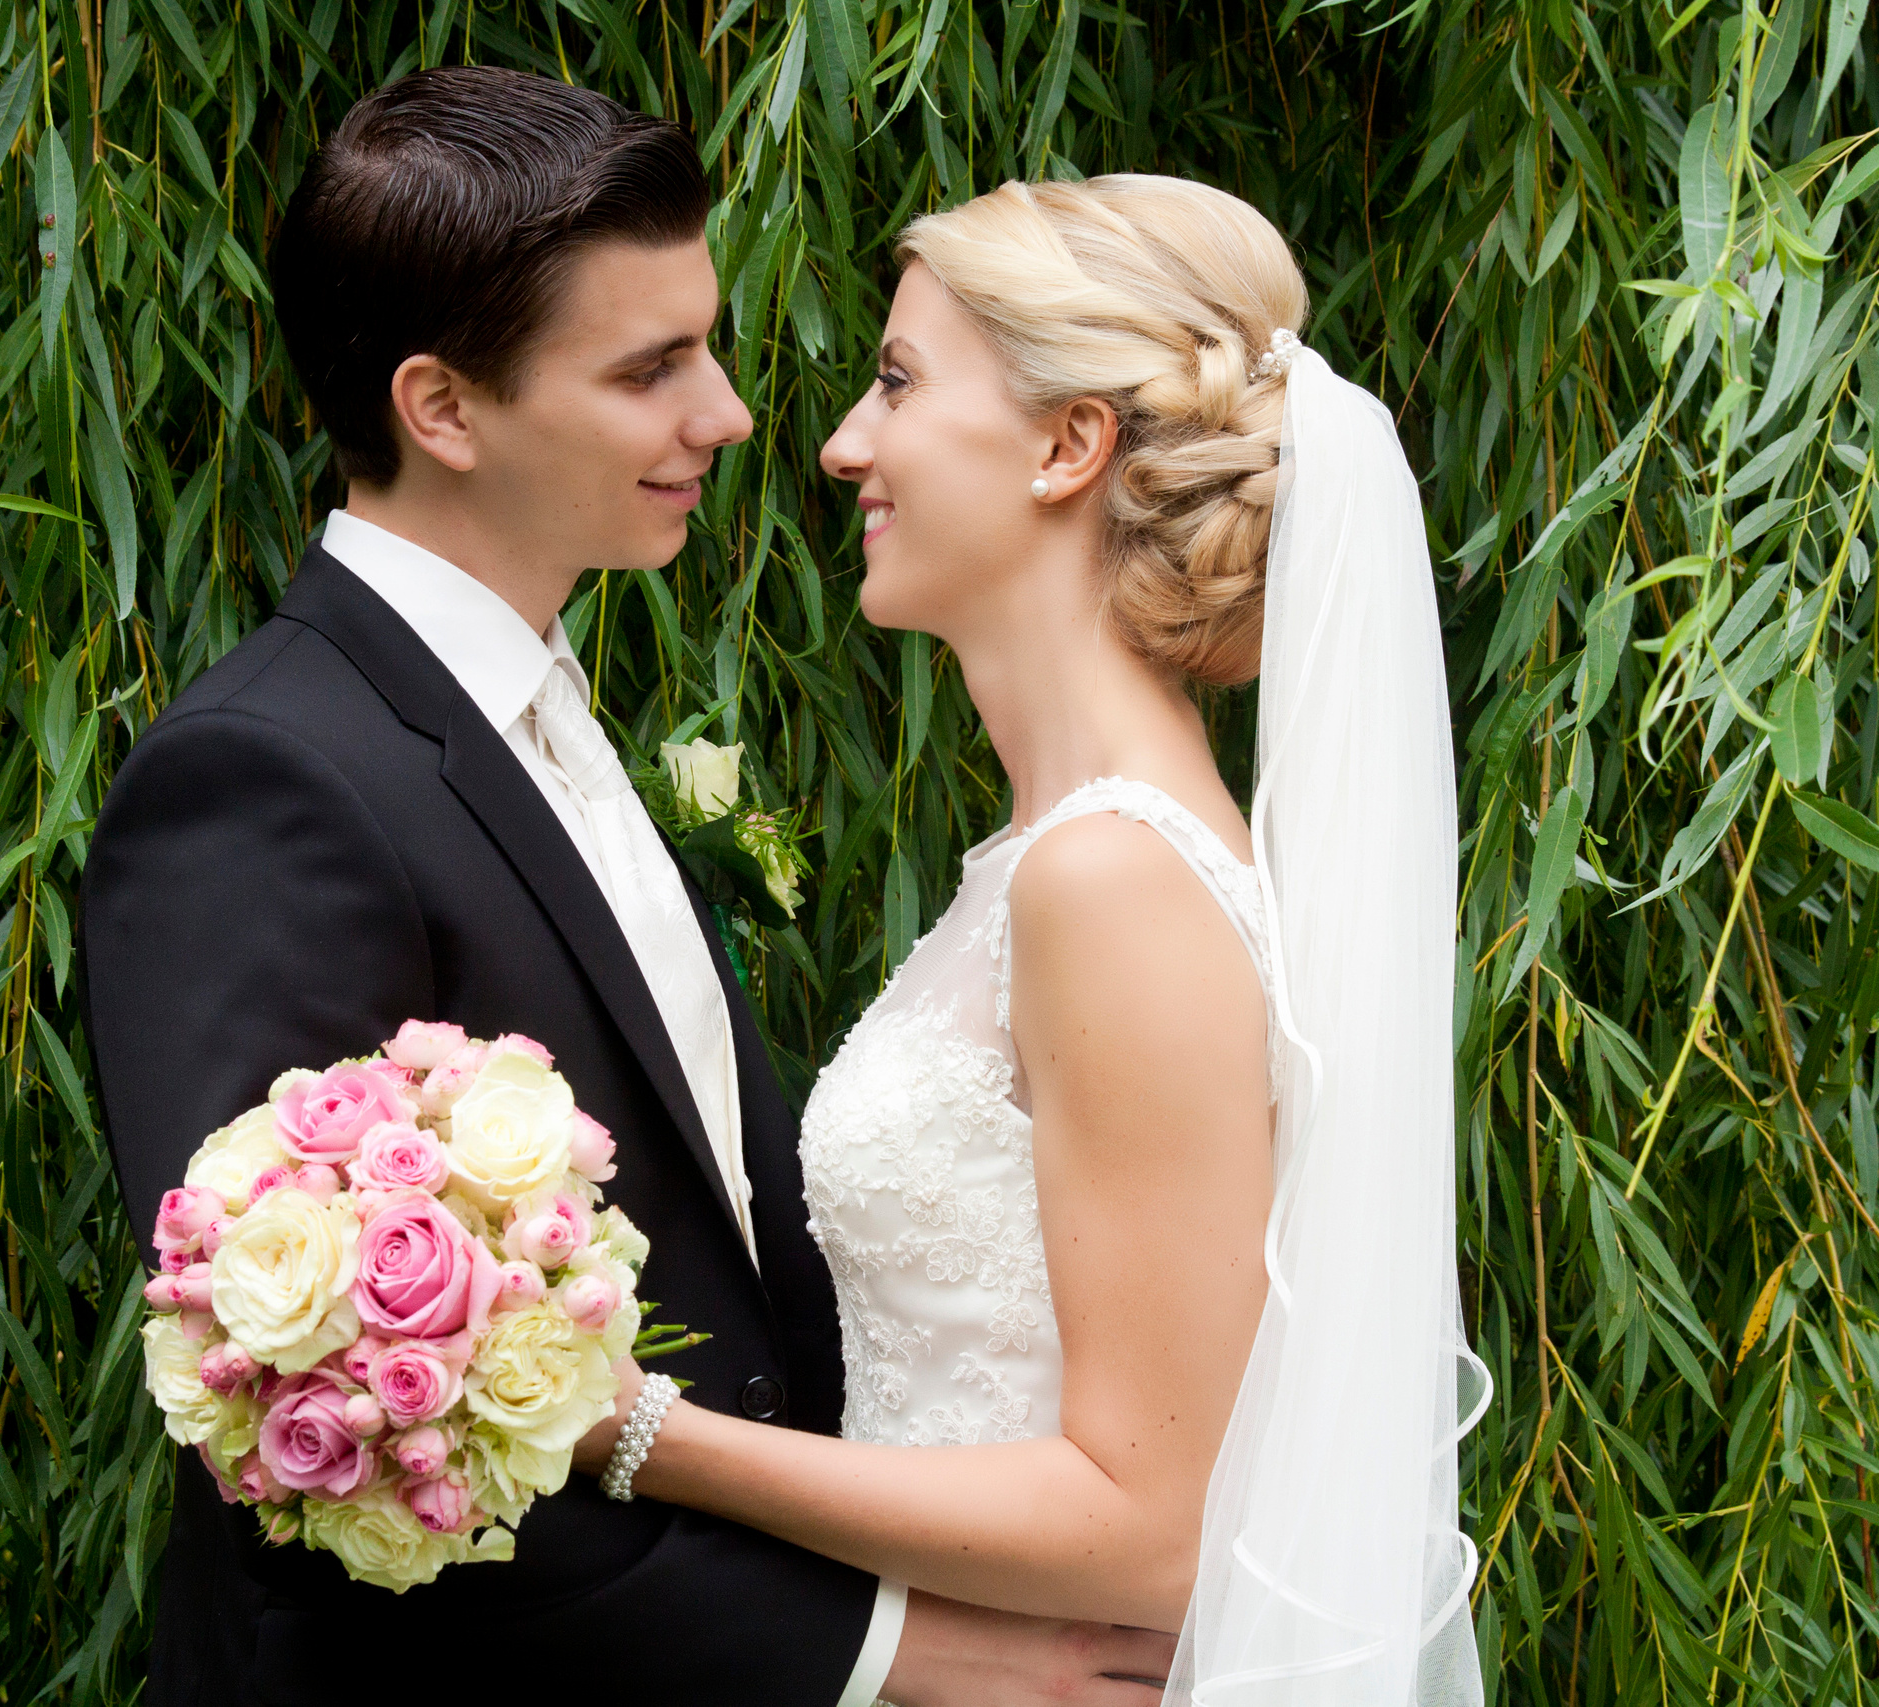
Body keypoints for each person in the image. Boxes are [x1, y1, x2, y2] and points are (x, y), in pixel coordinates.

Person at [83, 69, 1173, 1707]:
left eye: (706, 348)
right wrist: (888, 1651)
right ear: (445, 410)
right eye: (650, 369)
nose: (728, 415)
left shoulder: (537, 720)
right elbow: (319, 1423)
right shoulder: (263, 785)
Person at [569, 175, 1491, 1706]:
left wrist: (642, 1435)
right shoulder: (1048, 862)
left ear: (1070, 447)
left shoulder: (1110, 878)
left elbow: (1154, 1526)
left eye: (898, 382)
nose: (842, 445)